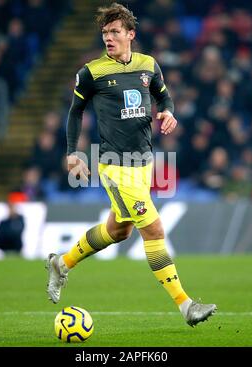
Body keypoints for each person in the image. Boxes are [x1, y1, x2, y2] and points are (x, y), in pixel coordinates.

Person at [46, 3, 217, 327]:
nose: (108, 38)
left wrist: (168, 111)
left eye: (114, 32)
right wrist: (73, 152)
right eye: (104, 33)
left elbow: (163, 96)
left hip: (143, 163)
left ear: (130, 34)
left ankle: (61, 263)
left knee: (118, 230)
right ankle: (186, 305)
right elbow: (75, 112)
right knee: (153, 228)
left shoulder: (148, 65)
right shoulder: (91, 72)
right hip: (114, 166)